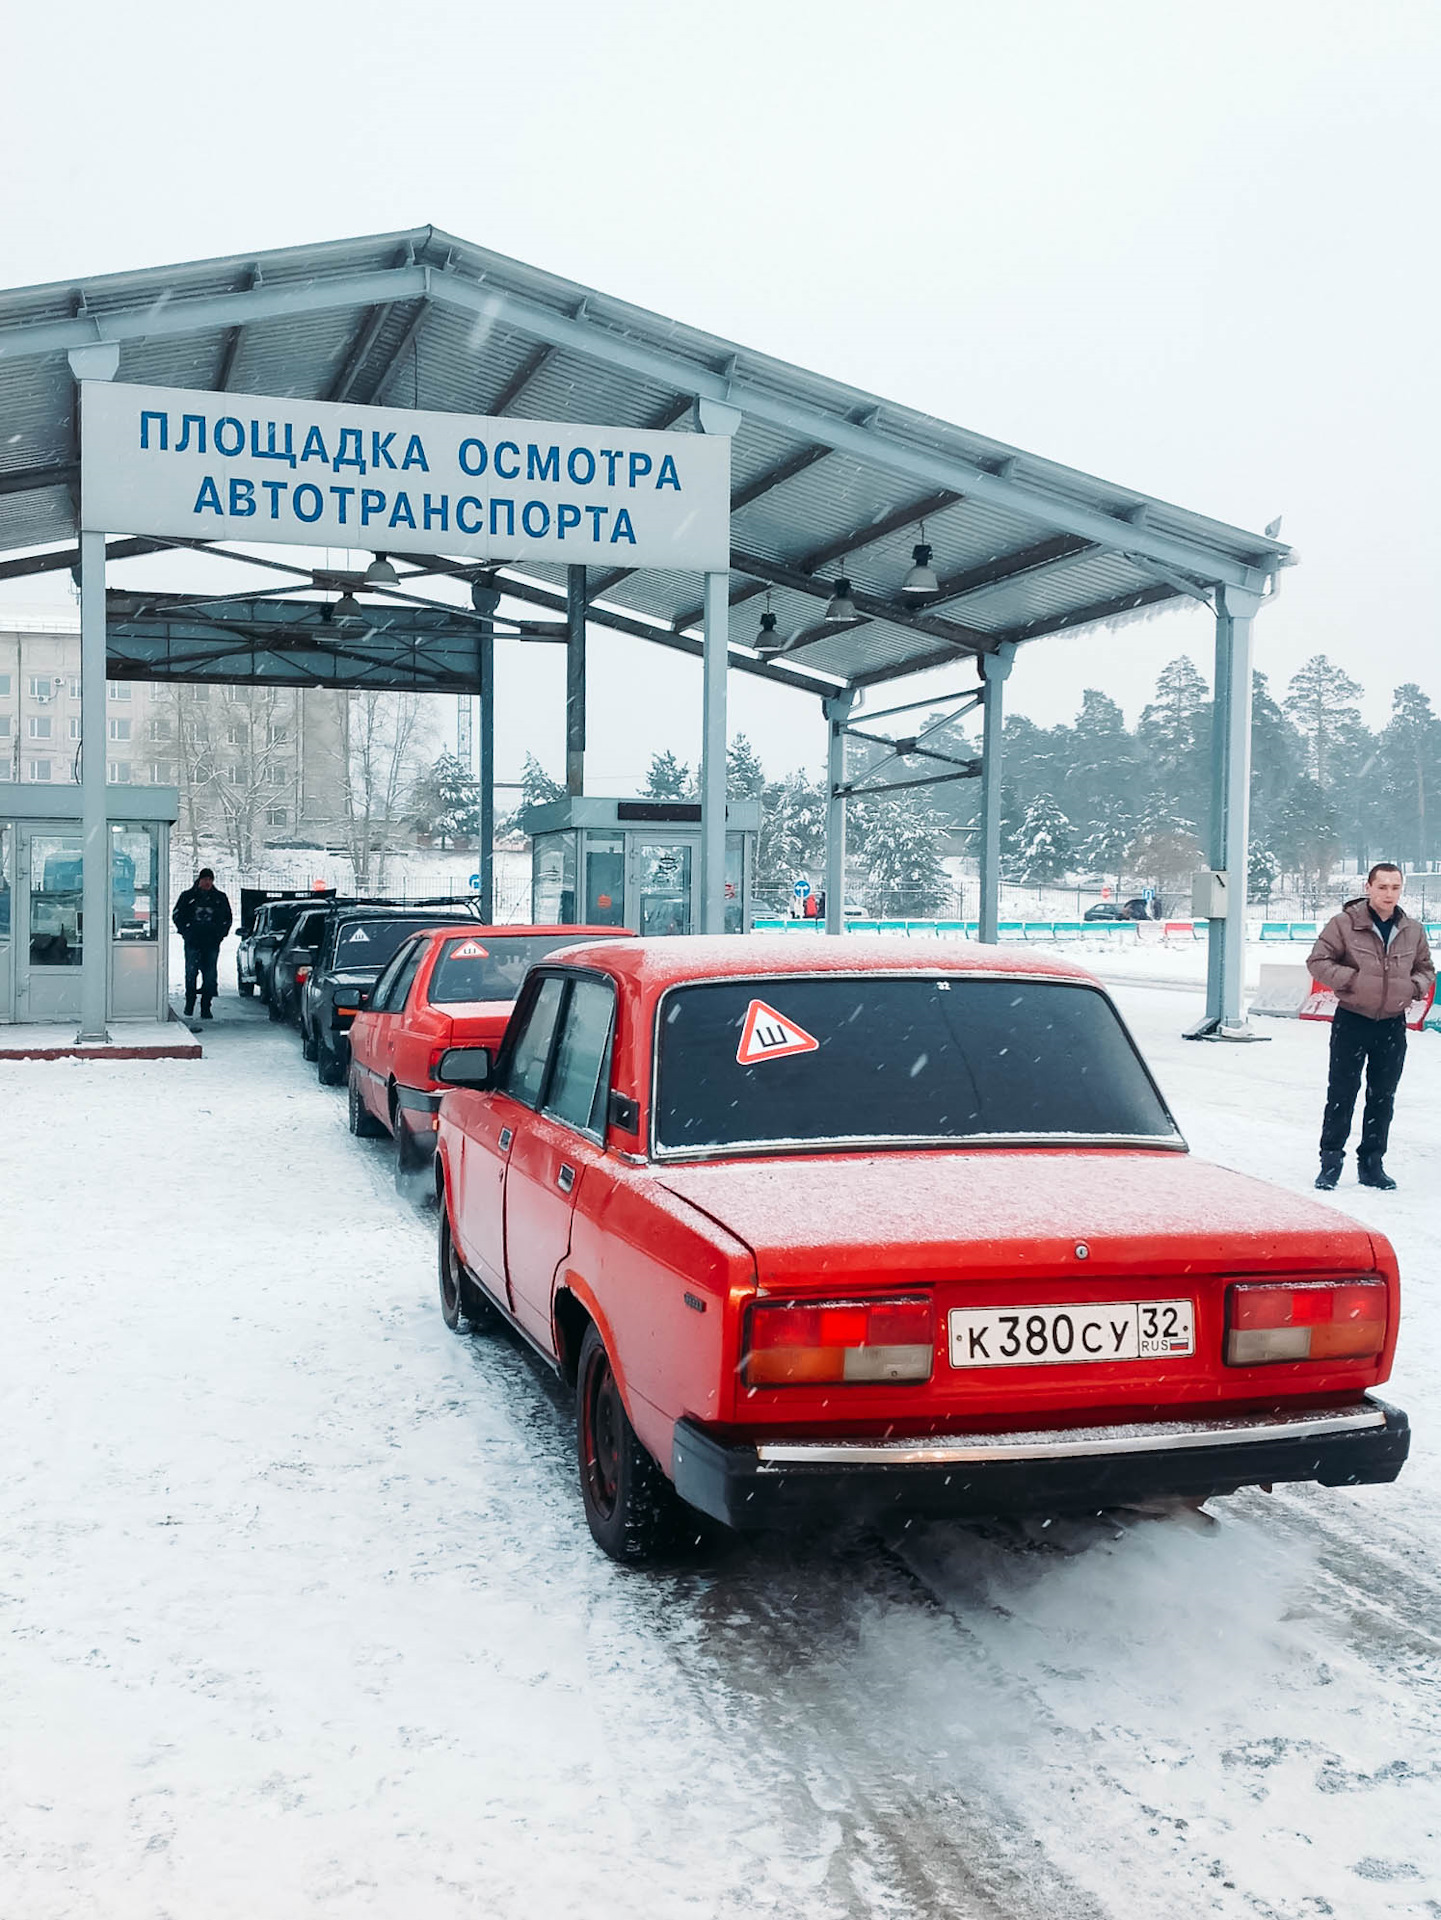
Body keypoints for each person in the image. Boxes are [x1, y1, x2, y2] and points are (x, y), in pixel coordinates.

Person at [1306, 862, 1434, 1191]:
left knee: (1382, 1098)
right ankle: (1331, 1161)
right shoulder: (1344, 924)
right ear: (1368, 887)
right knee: (1342, 1094)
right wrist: (1352, 980)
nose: (1389, 894)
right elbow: (1317, 961)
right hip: (1352, 1020)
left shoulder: (1413, 930)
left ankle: (1372, 1164)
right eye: (1382, 887)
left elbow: (1426, 968)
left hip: (1391, 1025)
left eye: (1395, 887)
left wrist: (1413, 987)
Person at [173, 867, 234, 1019]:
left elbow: (227, 918)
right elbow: (177, 915)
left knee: (209, 976)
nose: (207, 882)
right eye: (205, 879)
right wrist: (186, 932)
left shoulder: (219, 898)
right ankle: (189, 1004)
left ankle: (206, 1007)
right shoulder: (187, 897)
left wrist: (219, 935)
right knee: (191, 974)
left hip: (211, 943)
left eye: (210, 880)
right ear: (199, 880)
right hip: (193, 942)